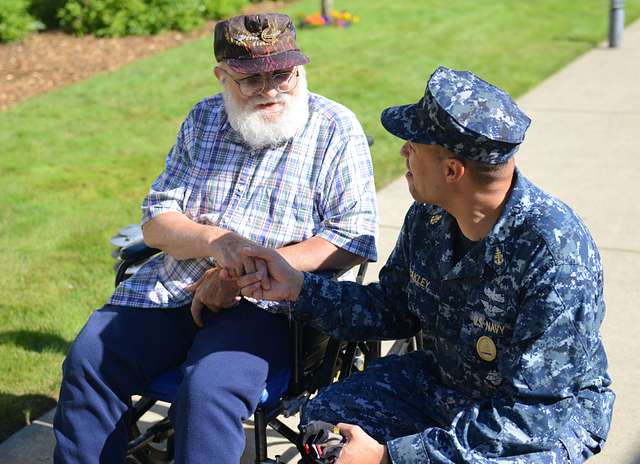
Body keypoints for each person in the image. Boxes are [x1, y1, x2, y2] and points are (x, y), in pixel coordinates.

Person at [235, 66, 615, 463]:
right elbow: (394, 307)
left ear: (452, 171)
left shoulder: (554, 253)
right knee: (329, 426)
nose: (403, 151)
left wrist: (391, 457)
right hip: (445, 381)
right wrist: (298, 287)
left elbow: (530, 416)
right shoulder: (430, 215)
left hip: (541, 421)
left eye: (413, 144)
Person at [53, 13, 378, 464]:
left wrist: (247, 271)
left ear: (300, 69)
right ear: (222, 76)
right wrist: (215, 242)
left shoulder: (335, 129)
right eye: (251, 78)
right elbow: (156, 219)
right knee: (90, 359)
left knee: (209, 388)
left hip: (272, 308)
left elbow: (353, 237)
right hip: (174, 287)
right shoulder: (205, 118)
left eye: (281, 74)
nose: (270, 88)